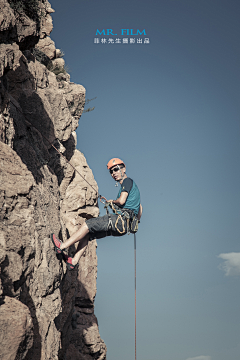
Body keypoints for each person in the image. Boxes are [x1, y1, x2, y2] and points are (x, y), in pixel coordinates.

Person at [51, 158, 142, 270]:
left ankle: (62, 246)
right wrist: (133, 222)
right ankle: (73, 261)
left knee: (87, 224)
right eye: (111, 171)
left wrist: (112, 201)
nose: (114, 173)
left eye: (116, 169)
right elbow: (140, 209)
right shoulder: (133, 188)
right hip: (124, 228)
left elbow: (122, 201)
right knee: (88, 234)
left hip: (120, 221)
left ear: (124, 168)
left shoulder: (127, 182)